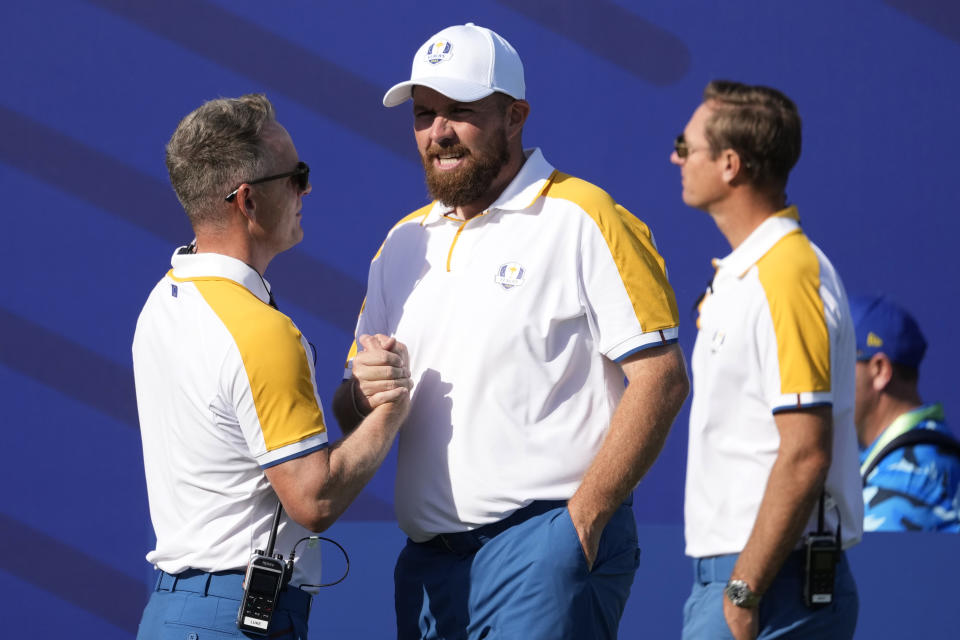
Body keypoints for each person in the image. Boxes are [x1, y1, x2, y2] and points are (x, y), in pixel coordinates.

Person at [332, 23, 689, 640]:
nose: (437, 133)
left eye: (460, 112)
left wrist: (582, 524)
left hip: (542, 551)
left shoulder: (584, 216)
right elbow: (352, 408)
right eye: (424, 114)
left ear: (515, 115)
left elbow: (661, 376)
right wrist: (364, 394)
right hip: (426, 568)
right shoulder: (401, 243)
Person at [132, 94, 412, 639]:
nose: (306, 189)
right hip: (235, 620)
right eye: (296, 176)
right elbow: (314, 499)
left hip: (174, 613)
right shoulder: (261, 334)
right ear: (248, 202)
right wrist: (392, 407)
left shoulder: (163, 298)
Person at [673, 81, 864, 640]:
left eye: (685, 147)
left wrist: (742, 591)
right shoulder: (752, 272)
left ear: (730, 164)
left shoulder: (786, 274)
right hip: (748, 579)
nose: (674, 157)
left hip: (768, 587)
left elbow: (806, 452)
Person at [850, 294, 960, 532]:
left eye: (833, 363)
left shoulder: (910, 482)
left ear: (879, 371)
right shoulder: (903, 459)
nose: (819, 381)